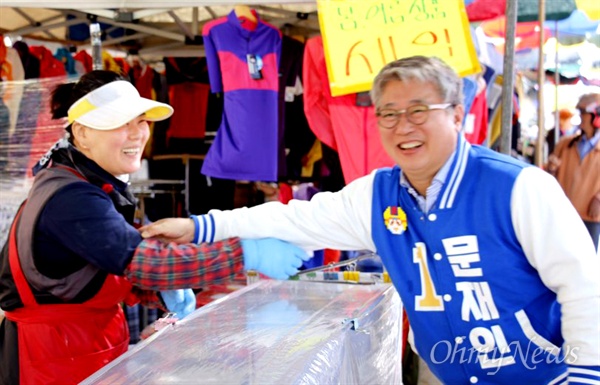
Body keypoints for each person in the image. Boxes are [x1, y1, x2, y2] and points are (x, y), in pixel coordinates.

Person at [141, 56, 600, 384]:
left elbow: (583, 287)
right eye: (389, 115)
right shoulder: (378, 194)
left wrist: (585, 375)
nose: (403, 127)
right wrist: (204, 226)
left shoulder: (517, 187)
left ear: (458, 114)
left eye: (419, 111)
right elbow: (294, 218)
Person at [0, 70, 309, 385]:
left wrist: (152, 291)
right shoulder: (71, 198)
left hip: (80, 350)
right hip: (51, 360)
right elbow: (144, 262)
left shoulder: (87, 184)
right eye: (122, 123)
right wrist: (245, 252)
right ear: (81, 133)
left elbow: (86, 269)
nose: (137, 134)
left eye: (141, 121)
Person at [546, 93, 600, 253]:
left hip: (589, 217)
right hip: (563, 214)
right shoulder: (565, 144)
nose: (580, 117)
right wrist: (551, 168)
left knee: (585, 263)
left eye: (583, 113)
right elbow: (549, 177)